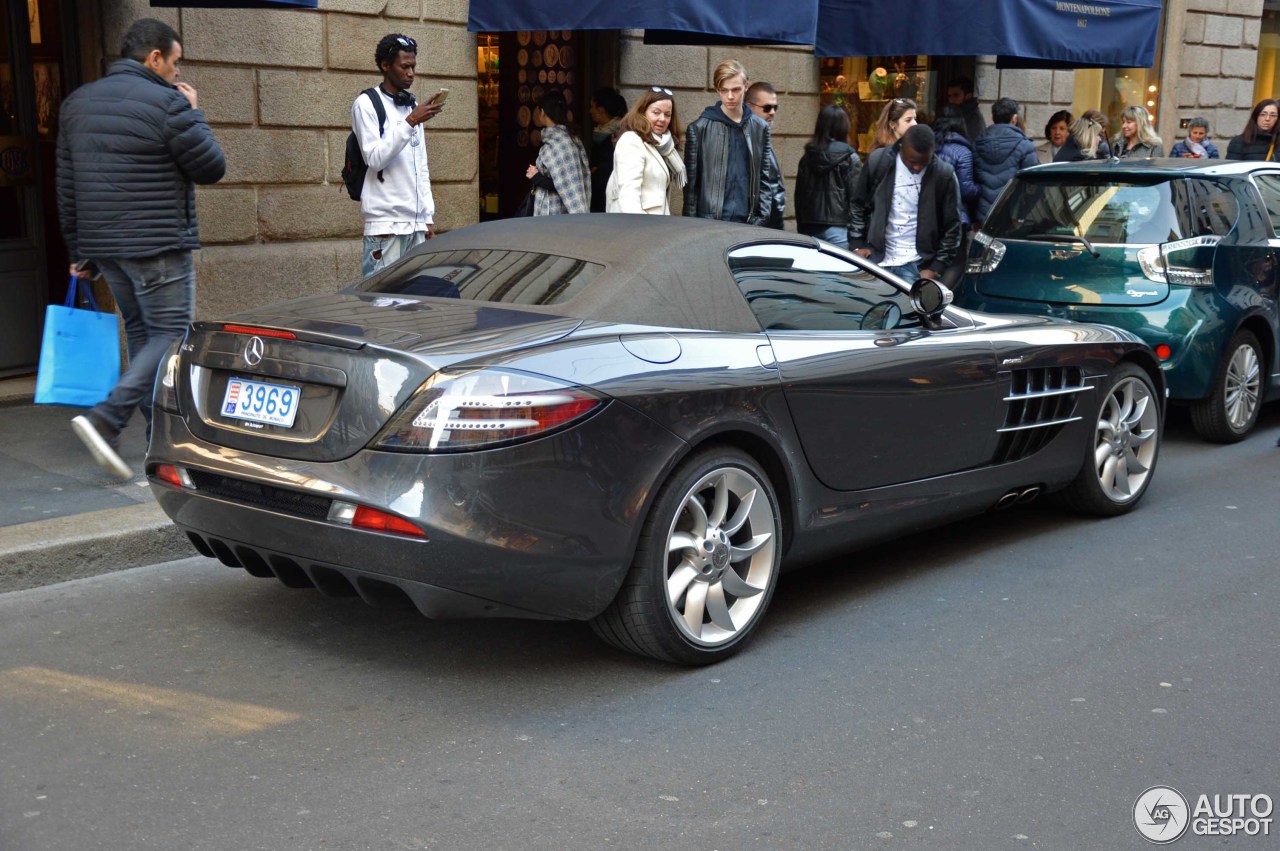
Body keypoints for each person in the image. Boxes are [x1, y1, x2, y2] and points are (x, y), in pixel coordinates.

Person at [56, 18, 225, 480]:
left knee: (142, 336)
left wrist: (80, 252)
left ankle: (157, 436)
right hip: (157, 246)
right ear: (155, 59)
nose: (176, 73)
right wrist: (192, 111)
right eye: (174, 64)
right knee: (168, 336)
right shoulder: (170, 104)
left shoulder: (76, 103)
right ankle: (106, 418)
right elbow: (211, 167)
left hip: (106, 249)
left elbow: (66, 186)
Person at [354, 33, 444, 277]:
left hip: (415, 227)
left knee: (415, 305)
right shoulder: (366, 104)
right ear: (385, 65)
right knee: (382, 307)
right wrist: (411, 121)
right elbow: (374, 158)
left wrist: (427, 218)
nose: (411, 73)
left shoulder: (411, 106)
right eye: (404, 66)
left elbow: (420, 166)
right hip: (386, 226)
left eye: (413, 66)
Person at [850, 124, 963, 282]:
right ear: (901, 148)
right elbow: (858, 204)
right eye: (912, 162)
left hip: (917, 266)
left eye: (924, 162)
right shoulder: (879, 162)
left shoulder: (944, 174)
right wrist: (856, 245)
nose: (917, 167)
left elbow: (953, 227)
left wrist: (936, 268)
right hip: (876, 260)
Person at [683, 58, 779, 226]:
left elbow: (764, 180)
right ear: (717, 90)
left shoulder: (760, 128)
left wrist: (762, 218)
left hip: (749, 223)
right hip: (710, 223)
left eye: (736, 90)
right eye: (724, 90)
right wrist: (692, 227)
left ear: (746, 86)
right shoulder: (699, 128)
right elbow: (691, 189)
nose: (730, 96)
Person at [605, 86, 686, 215]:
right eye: (656, 112)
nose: (662, 119)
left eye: (667, 114)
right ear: (643, 112)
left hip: (654, 226)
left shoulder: (661, 146)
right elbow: (629, 195)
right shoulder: (632, 141)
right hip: (639, 228)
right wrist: (641, 231)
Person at [794, 105, 861, 248]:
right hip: (839, 228)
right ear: (844, 127)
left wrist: (802, 228)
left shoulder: (806, 158)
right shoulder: (849, 157)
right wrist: (857, 235)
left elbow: (799, 198)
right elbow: (855, 198)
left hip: (810, 227)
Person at [973, 96, 1039, 226]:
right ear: (1014, 119)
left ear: (993, 118)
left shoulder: (977, 143)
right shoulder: (1024, 145)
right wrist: (1021, 214)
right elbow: (1033, 185)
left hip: (982, 216)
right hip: (1010, 216)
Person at [932, 106, 979, 287]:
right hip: (956, 215)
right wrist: (980, 188)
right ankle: (940, 301)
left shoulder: (931, 147)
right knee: (956, 263)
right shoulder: (963, 151)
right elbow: (966, 190)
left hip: (929, 214)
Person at [525, 91, 590, 215]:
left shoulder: (562, 143)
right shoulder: (567, 139)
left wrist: (537, 177)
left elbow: (567, 185)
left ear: (542, 112)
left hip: (556, 213)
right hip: (549, 211)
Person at [746, 81, 787, 229]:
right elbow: (773, 196)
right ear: (749, 106)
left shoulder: (761, 139)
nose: (772, 112)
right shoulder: (753, 141)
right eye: (767, 108)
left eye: (775, 107)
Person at [588, 87, 627, 212]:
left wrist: (594, 172)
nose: (590, 111)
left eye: (592, 106)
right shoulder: (601, 134)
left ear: (601, 110)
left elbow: (603, 172)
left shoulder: (619, 135)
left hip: (608, 199)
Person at [946, 76, 986, 142]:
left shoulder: (973, 118)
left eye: (956, 95)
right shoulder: (953, 114)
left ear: (968, 96)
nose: (951, 100)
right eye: (949, 96)